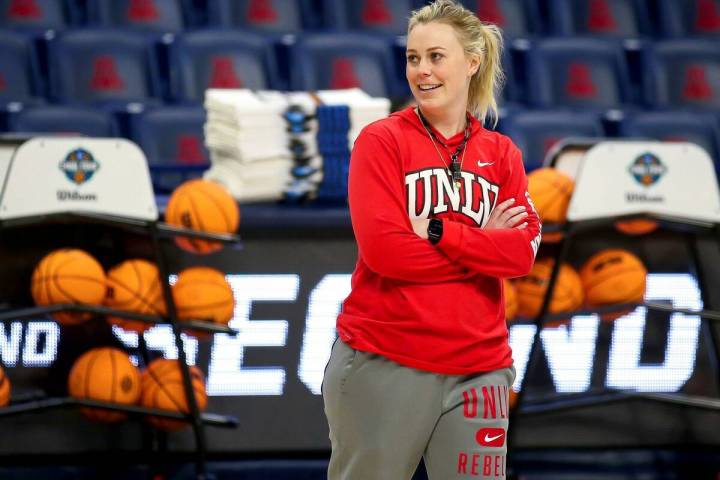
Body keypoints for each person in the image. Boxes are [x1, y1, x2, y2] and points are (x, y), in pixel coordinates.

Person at [322, 1, 542, 479]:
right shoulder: (380, 142)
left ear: (471, 62)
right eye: (413, 57)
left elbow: (522, 254)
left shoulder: (502, 154)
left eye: (435, 56)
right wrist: (484, 247)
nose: (422, 71)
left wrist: (443, 232)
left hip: (481, 367)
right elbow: (387, 255)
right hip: (386, 360)